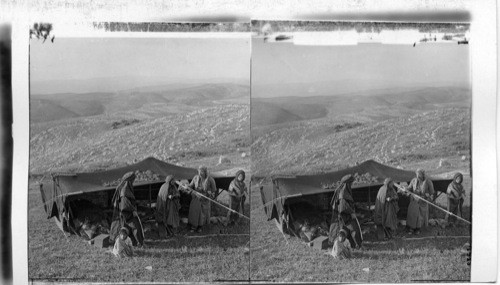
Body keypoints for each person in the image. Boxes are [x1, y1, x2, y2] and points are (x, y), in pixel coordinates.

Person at [110, 172, 145, 246]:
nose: (133, 182)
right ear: (130, 180)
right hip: (126, 212)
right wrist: (133, 210)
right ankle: (139, 243)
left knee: (126, 228)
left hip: (123, 212)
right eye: (133, 180)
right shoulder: (125, 189)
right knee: (136, 227)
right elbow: (125, 204)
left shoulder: (122, 186)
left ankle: (130, 243)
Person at [329, 174, 362, 249]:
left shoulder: (343, 190)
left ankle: (350, 245)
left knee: (346, 230)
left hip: (343, 216)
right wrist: (351, 213)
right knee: (354, 229)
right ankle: (357, 246)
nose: (352, 185)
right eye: (351, 183)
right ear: (347, 183)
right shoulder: (343, 193)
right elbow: (343, 206)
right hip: (345, 215)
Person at [183, 166, 217, 233]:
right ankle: (193, 226)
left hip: (205, 200)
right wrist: (187, 186)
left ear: (205, 172)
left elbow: (214, 191)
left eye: (202, 171)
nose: (200, 173)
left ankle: (200, 227)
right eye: (199, 171)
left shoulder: (210, 179)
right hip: (196, 197)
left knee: (202, 214)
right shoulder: (196, 178)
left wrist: (210, 194)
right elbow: (191, 185)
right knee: (194, 213)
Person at [405, 169, 434, 235]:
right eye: (417, 174)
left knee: (420, 216)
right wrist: (405, 189)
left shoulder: (428, 182)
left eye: (419, 174)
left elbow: (432, 193)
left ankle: (418, 229)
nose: (418, 176)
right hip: (414, 200)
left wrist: (428, 196)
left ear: (423, 175)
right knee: (412, 214)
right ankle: (411, 228)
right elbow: (409, 188)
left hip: (423, 202)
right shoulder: (414, 180)